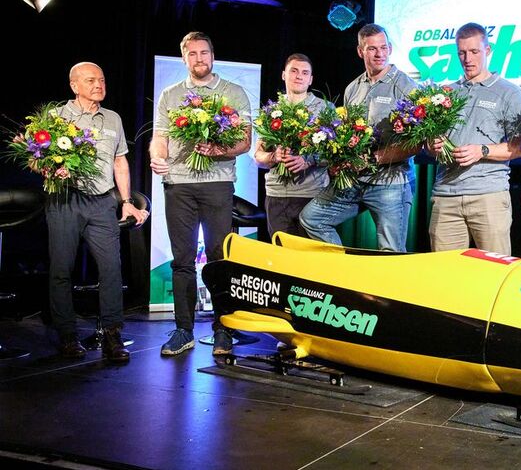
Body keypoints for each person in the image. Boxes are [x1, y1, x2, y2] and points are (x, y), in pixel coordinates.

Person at [149, 32, 252, 356]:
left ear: (212, 54)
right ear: (184, 58)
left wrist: (218, 148)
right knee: (182, 261)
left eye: (204, 52)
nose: (199, 59)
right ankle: (183, 330)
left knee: (219, 258)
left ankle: (224, 329)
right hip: (178, 184)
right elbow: (160, 136)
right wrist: (157, 156)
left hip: (217, 184)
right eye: (192, 54)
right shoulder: (171, 94)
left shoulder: (232, 92)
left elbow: (245, 141)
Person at [42, 62, 148, 362]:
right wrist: (52, 168)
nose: (99, 84)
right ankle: (67, 336)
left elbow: (120, 162)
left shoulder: (113, 118)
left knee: (112, 269)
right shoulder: (56, 118)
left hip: (102, 202)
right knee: (62, 270)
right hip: (65, 200)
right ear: (74, 85)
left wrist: (126, 200)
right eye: (91, 80)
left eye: (101, 79)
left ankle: (111, 335)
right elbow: (36, 160)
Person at [299, 24, 416, 251]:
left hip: (391, 183)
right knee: (312, 219)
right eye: (372, 49)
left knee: (390, 253)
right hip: (355, 179)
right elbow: (347, 134)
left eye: (384, 47)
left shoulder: (405, 86)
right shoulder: (353, 87)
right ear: (360, 51)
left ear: (390, 48)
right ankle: (344, 274)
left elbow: (416, 143)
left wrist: (373, 159)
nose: (380, 54)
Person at [429, 23, 521, 254]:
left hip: (488, 196)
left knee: (494, 273)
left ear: (488, 50)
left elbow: (519, 148)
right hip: (446, 196)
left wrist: (481, 151)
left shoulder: (509, 92)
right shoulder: (445, 92)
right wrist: (432, 145)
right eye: (462, 52)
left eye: (474, 52)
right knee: (442, 275)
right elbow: (430, 145)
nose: (467, 58)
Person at [254, 54, 331, 237]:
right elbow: (258, 157)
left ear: (311, 79)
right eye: (294, 71)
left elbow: (334, 154)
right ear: (283, 75)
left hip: (312, 194)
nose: (299, 76)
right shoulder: (271, 111)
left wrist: (308, 160)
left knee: (309, 259)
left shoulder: (324, 109)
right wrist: (274, 157)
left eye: (305, 73)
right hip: (277, 195)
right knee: (282, 258)